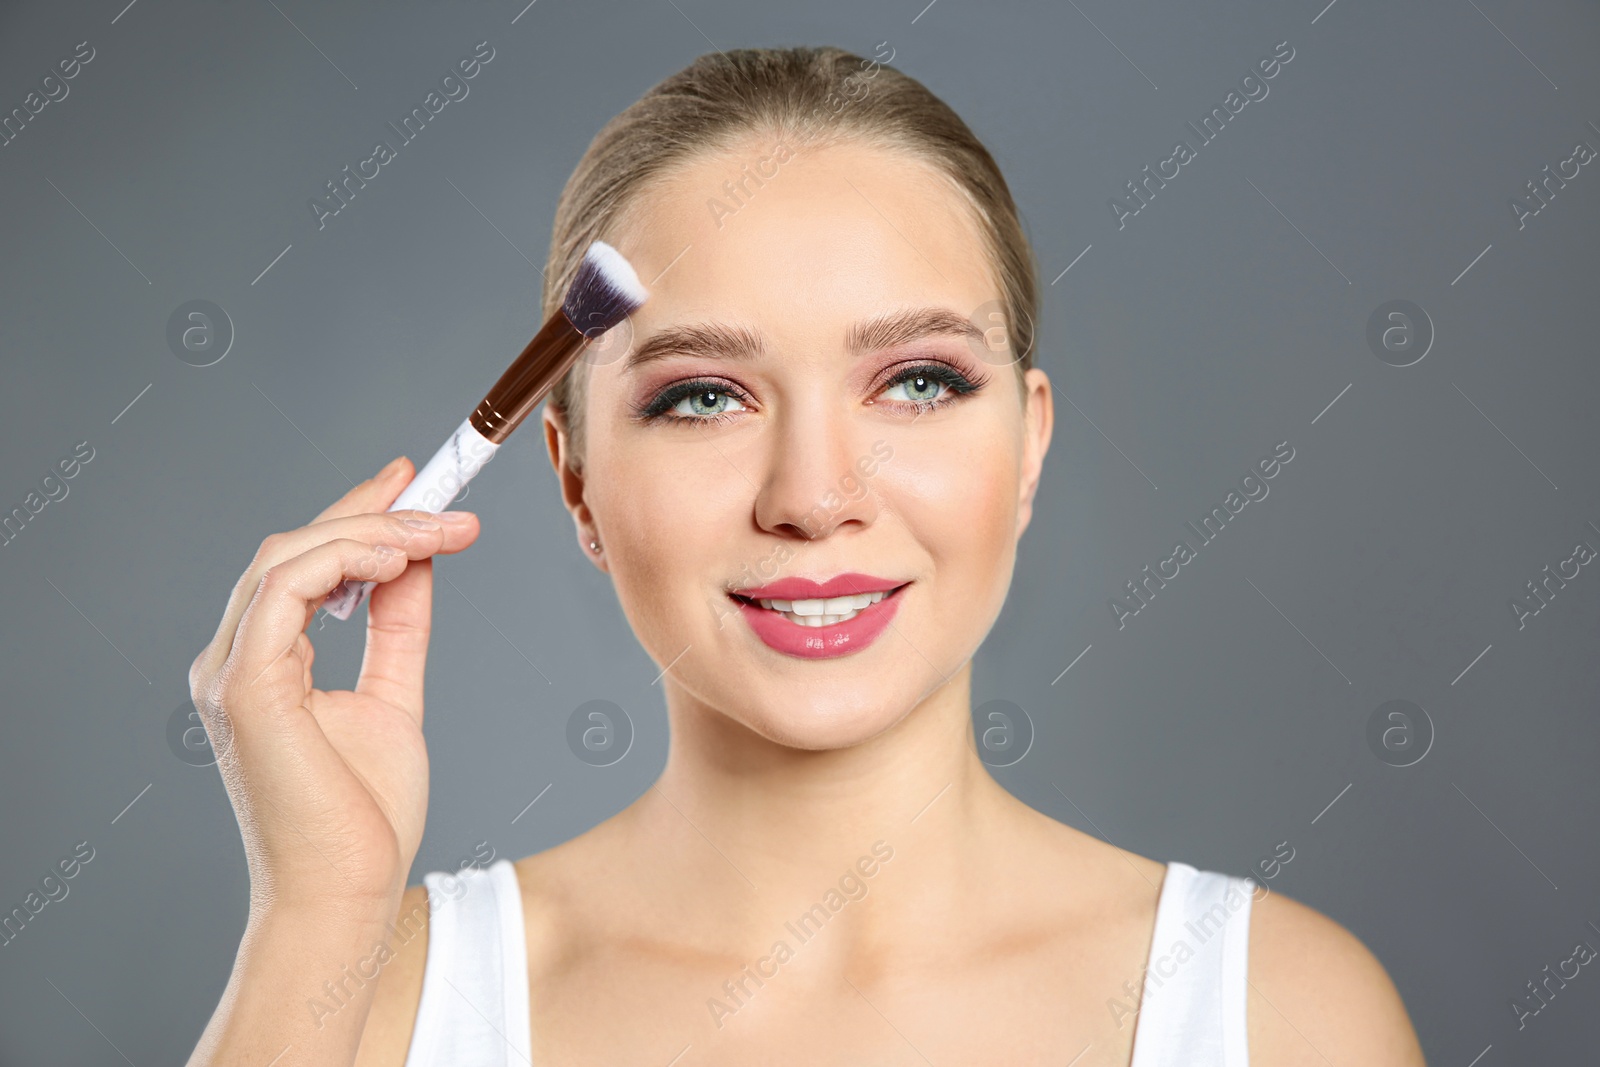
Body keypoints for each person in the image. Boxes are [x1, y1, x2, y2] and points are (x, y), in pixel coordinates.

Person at [185, 45, 1427, 1066]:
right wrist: (317, 915)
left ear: (1029, 443)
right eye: (704, 397)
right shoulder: (370, 1000)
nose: (815, 497)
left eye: (918, 380)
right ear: (574, 480)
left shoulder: (1281, 1012)